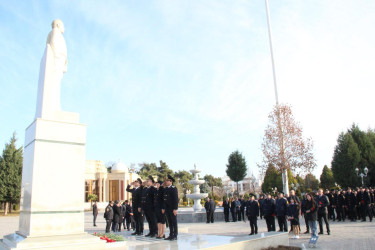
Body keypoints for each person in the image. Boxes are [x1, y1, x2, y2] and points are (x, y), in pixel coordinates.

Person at [163, 174, 179, 241]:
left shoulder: (174, 188)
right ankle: (171, 234)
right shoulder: (166, 189)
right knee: (169, 222)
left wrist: (175, 209)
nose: (166, 182)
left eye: (167, 181)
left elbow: (175, 199)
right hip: (167, 208)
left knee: (174, 222)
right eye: (166, 181)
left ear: (171, 181)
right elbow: (164, 199)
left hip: (172, 208)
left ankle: (175, 235)